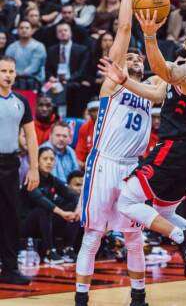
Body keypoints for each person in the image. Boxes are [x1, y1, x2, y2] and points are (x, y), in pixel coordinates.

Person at [104, 0, 186, 301]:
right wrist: (125, 81)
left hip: (174, 149)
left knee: (127, 203)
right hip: (185, 152)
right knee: (166, 213)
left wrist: (148, 34)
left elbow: (161, 69)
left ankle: (185, 242)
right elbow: (158, 91)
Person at [74, 0, 156, 306]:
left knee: (134, 238)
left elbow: (181, 70)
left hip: (131, 167)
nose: (134, 59)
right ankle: (81, 298)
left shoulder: (153, 86)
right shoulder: (113, 82)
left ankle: (138, 297)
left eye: (139, 58)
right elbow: (124, 29)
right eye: (131, 58)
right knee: (93, 236)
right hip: (105, 164)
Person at [0, 55, 39, 285]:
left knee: (11, 217)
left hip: (11, 164)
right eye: (3, 71)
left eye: (11, 71)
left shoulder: (21, 101)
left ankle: (10, 268)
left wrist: (33, 169)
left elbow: (31, 136)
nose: (7, 75)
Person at [22, 147, 80, 264]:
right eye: (45, 159)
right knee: (43, 208)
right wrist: (62, 213)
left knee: (74, 205)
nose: (49, 162)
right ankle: (49, 252)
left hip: (46, 223)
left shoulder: (52, 180)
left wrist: (78, 209)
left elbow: (73, 195)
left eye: (52, 159)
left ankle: (67, 248)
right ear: (37, 161)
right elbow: (40, 199)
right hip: (26, 224)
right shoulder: (31, 178)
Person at [45, 22, 91, 117]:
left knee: (72, 89)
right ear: (57, 35)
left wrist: (67, 79)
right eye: (60, 31)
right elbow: (48, 69)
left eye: (65, 30)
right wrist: (51, 77)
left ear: (70, 33)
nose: (63, 33)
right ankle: (52, 118)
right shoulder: (51, 50)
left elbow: (82, 71)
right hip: (55, 82)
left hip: (73, 81)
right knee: (44, 89)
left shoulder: (81, 50)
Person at [75, 100, 99, 168]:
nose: (97, 113)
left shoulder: (111, 125)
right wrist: (80, 162)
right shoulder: (84, 128)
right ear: (89, 112)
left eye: (98, 110)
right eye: (93, 111)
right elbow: (80, 150)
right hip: (89, 165)